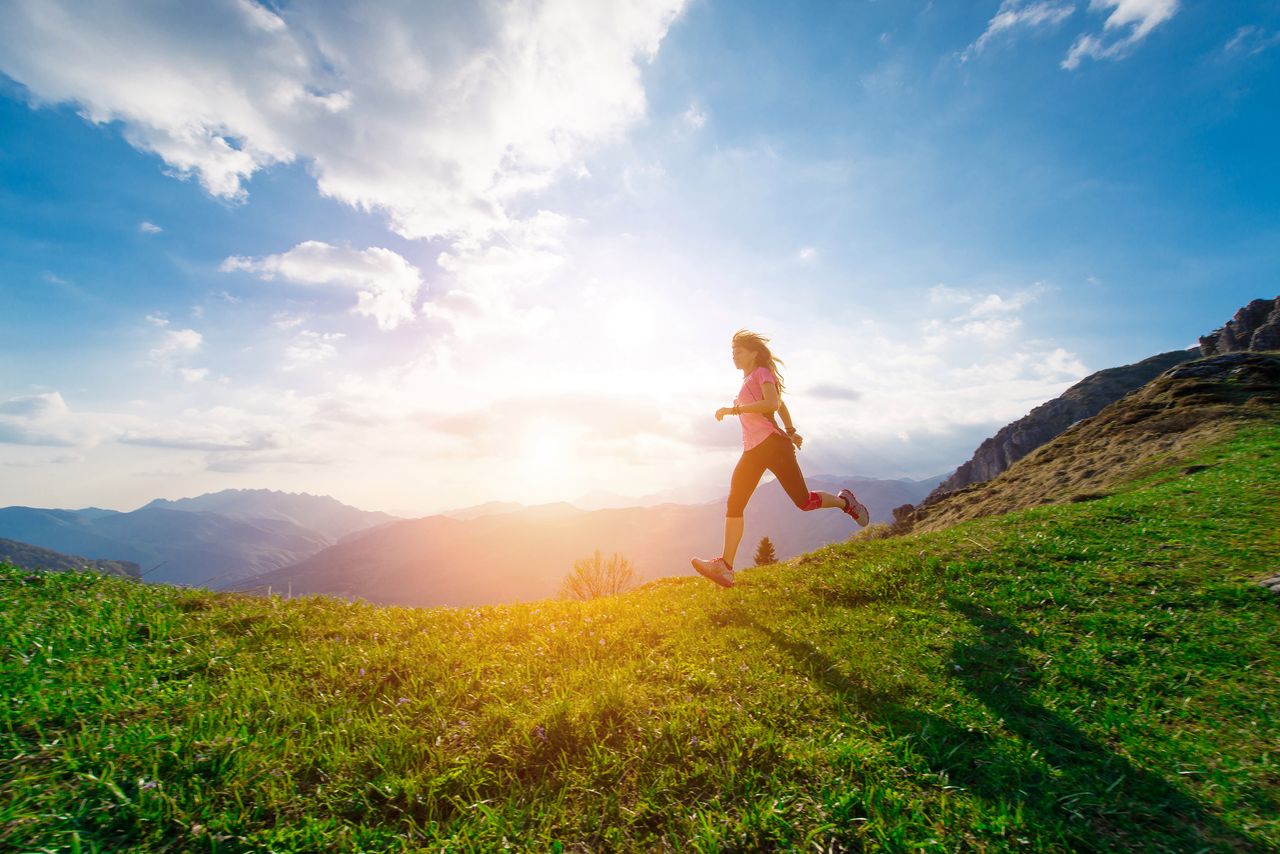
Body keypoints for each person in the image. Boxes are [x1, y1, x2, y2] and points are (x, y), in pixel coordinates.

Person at [691, 329, 870, 588]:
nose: (734, 356)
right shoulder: (750, 379)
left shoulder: (762, 373)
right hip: (753, 449)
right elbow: (781, 405)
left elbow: (773, 403)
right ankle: (726, 567)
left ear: (754, 353)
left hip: (774, 446)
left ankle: (846, 503)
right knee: (735, 502)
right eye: (732, 352)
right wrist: (791, 430)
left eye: (738, 351)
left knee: (804, 501)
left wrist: (735, 410)